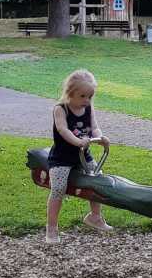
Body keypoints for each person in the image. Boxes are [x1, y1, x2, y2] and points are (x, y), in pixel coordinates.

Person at [45, 68, 113, 244]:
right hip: (61, 158)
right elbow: (63, 130)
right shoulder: (61, 109)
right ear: (70, 93)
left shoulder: (88, 108)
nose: (87, 100)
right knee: (58, 188)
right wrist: (78, 141)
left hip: (83, 156)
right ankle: (51, 228)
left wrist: (101, 137)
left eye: (90, 96)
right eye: (82, 96)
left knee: (98, 180)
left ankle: (95, 216)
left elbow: (94, 126)